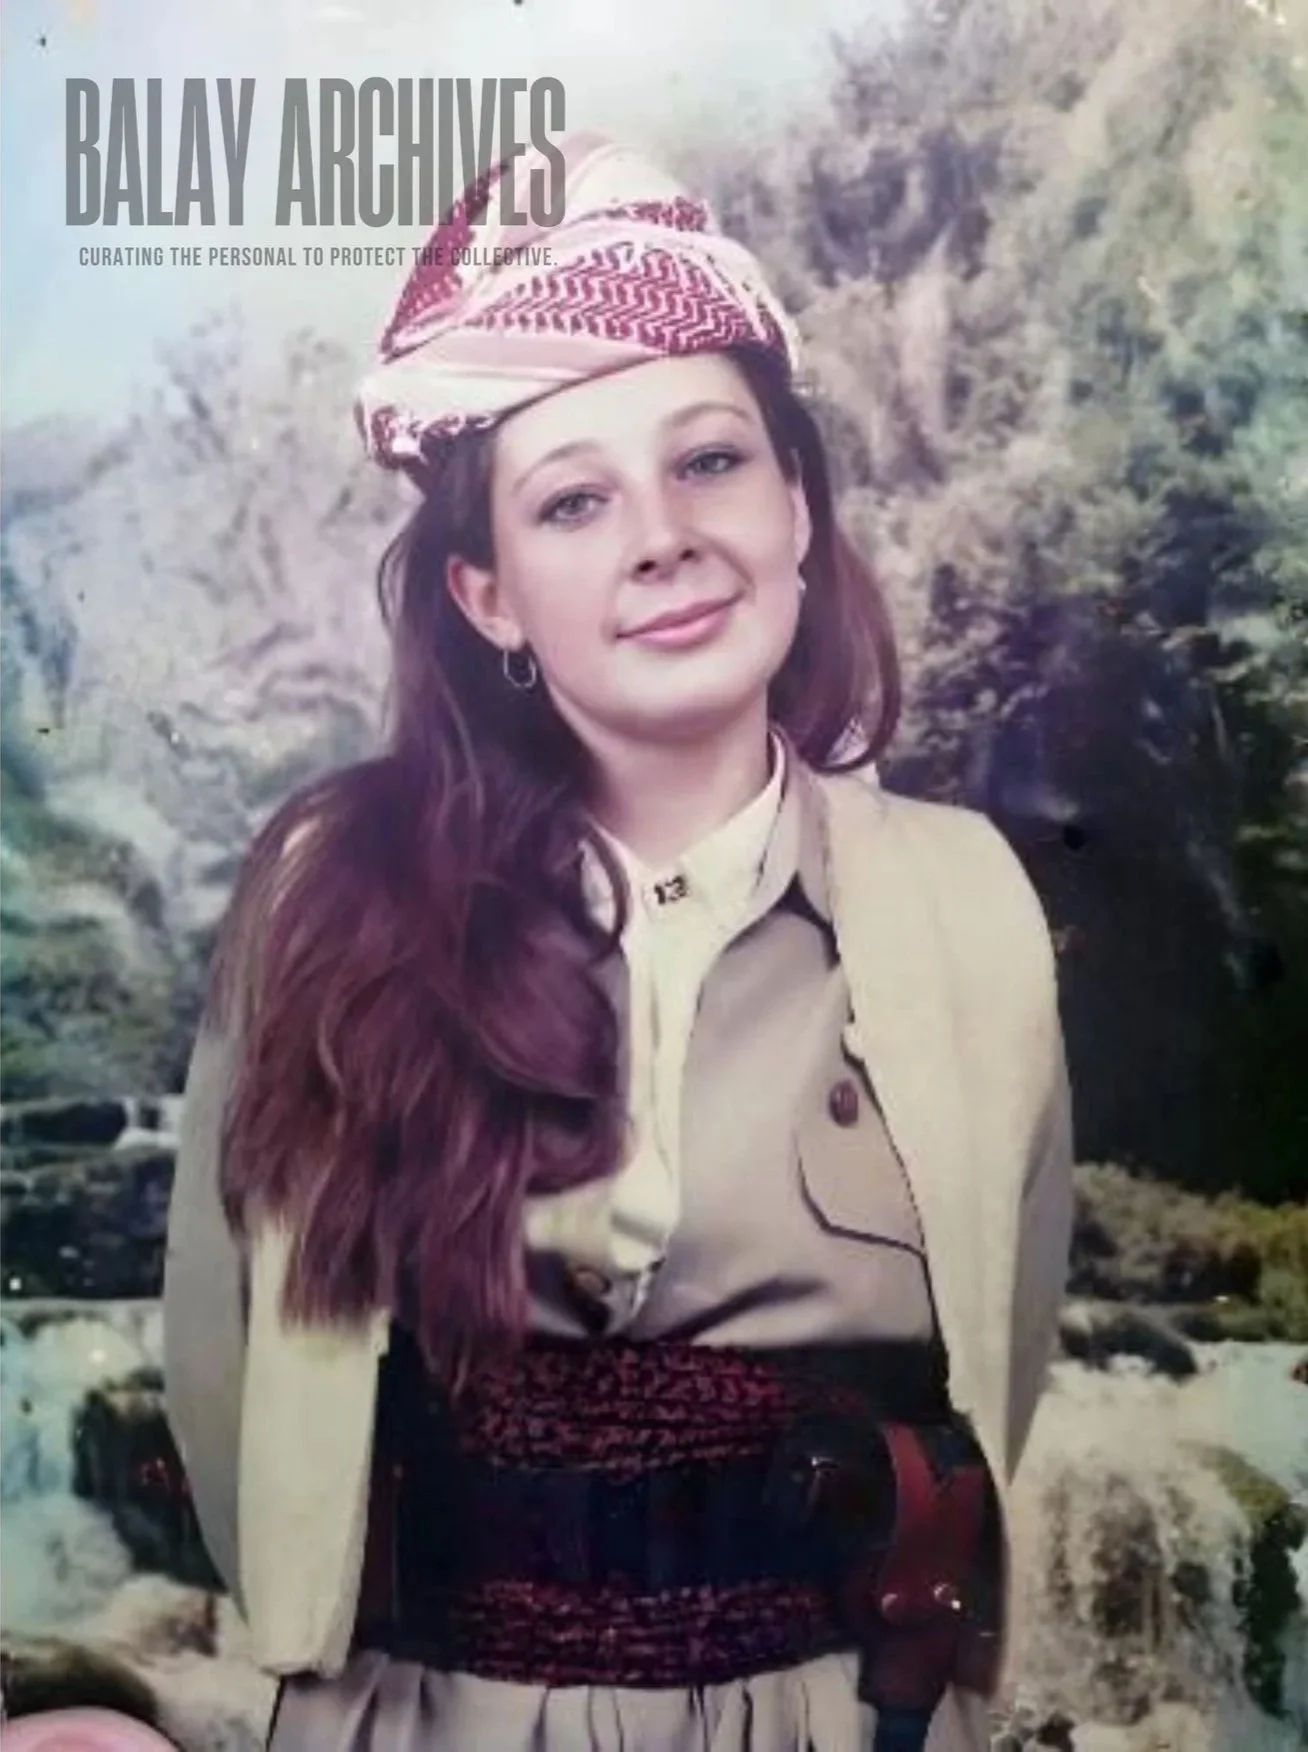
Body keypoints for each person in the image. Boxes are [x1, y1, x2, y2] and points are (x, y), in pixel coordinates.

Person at [162, 131, 1075, 1752]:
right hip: (421, 1717)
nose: (663, 535)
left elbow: (1001, 1368)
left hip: (838, 1718)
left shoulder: (967, 900)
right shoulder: (327, 890)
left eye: (711, 462)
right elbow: (228, 1379)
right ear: (490, 594)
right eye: (574, 499)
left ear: (798, 507)